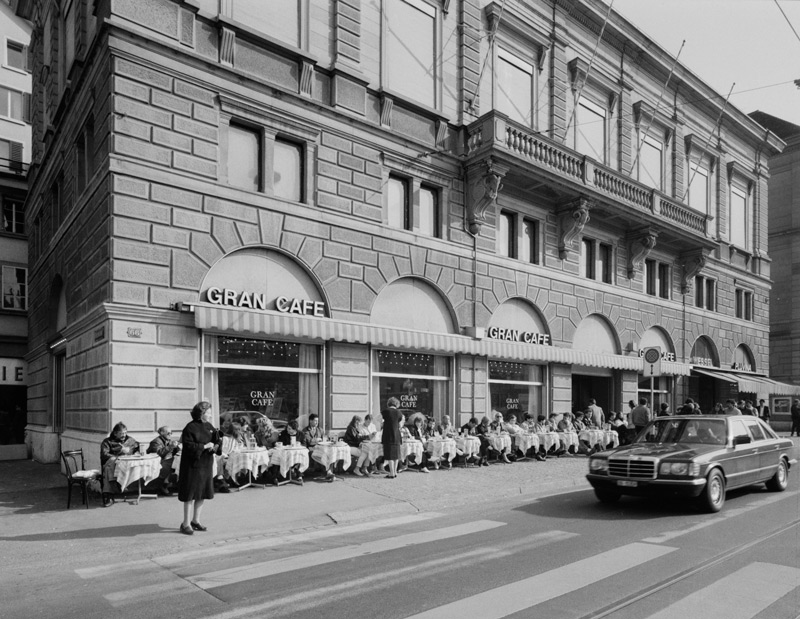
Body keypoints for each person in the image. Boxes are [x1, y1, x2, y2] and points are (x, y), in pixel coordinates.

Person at [178, 401, 221, 535]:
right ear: (201, 413)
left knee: (202, 493)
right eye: (208, 413)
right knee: (190, 495)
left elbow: (216, 441)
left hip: (205, 464)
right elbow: (188, 446)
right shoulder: (190, 428)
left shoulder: (209, 426)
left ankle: (195, 521)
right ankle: (185, 523)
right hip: (192, 465)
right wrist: (204, 446)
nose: (210, 415)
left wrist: (216, 446)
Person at [100, 422, 141, 506]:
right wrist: (118, 455)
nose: (124, 435)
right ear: (115, 433)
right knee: (110, 463)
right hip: (113, 464)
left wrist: (133, 451)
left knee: (108, 469)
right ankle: (112, 490)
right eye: (121, 433)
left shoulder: (130, 440)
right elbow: (104, 454)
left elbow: (137, 447)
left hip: (126, 464)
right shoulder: (107, 441)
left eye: (125, 433)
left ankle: (109, 496)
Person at [146, 425, 180, 496]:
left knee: (178, 461)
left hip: (165, 461)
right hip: (157, 462)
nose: (170, 435)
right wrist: (170, 446)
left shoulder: (168, 440)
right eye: (168, 433)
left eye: (171, 433)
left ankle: (167, 483)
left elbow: (173, 452)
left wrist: (178, 448)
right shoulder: (155, 442)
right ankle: (164, 484)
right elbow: (159, 453)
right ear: (161, 433)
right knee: (173, 462)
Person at [381, 397, 403, 478]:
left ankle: (391, 473)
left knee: (389, 454)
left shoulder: (385, 411)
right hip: (397, 435)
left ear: (388, 403)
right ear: (396, 404)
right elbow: (400, 425)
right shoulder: (399, 413)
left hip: (388, 435)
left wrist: (383, 423)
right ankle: (395, 472)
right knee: (396, 455)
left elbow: (378, 419)